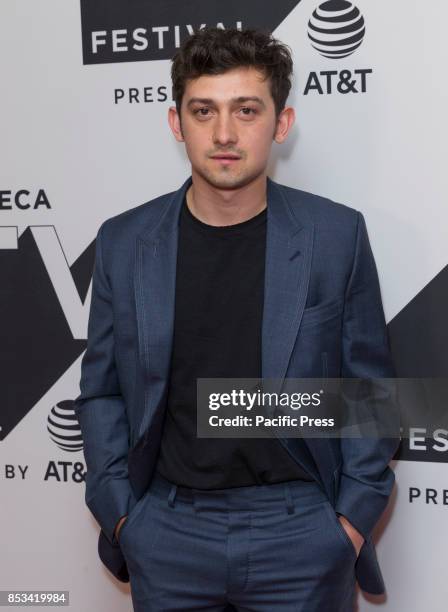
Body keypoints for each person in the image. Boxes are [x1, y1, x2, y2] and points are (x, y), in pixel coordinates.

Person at [75, 27, 399, 612]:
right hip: (166, 530)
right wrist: (122, 514)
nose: (224, 133)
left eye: (246, 110)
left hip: (301, 530)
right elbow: (101, 392)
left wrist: (348, 522)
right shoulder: (124, 242)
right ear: (177, 123)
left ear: (281, 123)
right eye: (204, 111)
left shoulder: (335, 235)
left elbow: (371, 390)